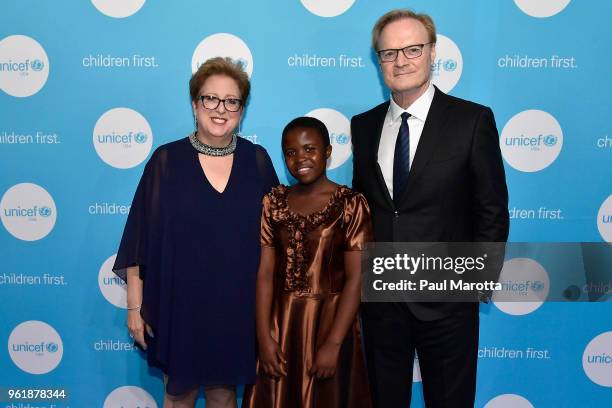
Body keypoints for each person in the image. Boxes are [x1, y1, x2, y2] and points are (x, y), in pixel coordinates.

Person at [351, 9, 509, 408]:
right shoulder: (363, 126)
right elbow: (363, 210)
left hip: (448, 305)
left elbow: (491, 208)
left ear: (432, 53)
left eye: (412, 49)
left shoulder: (472, 121)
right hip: (382, 305)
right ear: (378, 61)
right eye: (389, 53)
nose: (400, 60)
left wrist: (475, 283)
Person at [113, 57, 279, 408]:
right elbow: (139, 237)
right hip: (179, 304)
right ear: (194, 104)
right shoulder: (166, 161)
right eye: (210, 99)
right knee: (179, 393)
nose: (220, 109)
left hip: (237, 305)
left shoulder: (258, 161)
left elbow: (275, 241)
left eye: (231, 101)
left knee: (224, 394)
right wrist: (134, 306)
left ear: (242, 109)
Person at [242, 117, 372, 408]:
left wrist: (334, 343)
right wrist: (264, 337)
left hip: (331, 325)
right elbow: (264, 273)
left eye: (310, 149)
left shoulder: (351, 204)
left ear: (327, 151)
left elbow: (357, 279)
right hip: (281, 326)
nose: (300, 158)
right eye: (291, 152)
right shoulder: (273, 203)